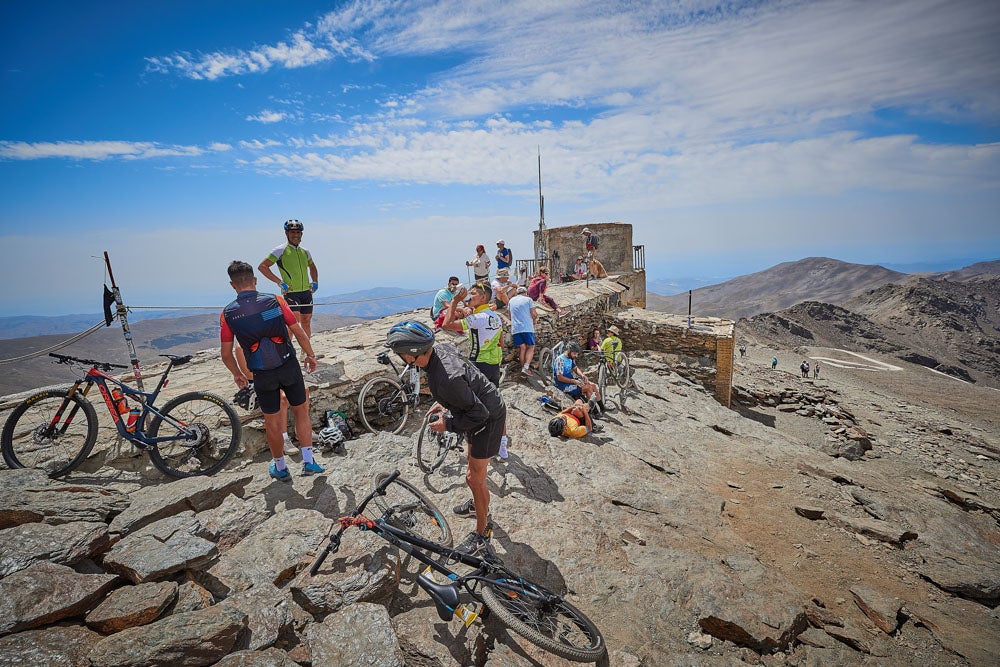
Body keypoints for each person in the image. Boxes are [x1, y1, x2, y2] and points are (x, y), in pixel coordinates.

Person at [386, 321, 506, 558]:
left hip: (487, 420)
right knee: (474, 472)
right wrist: (445, 402)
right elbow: (467, 377)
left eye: (399, 354)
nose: (399, 357)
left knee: (474, 478)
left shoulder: (446, 379)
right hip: (482, 409)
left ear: (411, 355)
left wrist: (447, 424)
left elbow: (478, 413)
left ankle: (482, 533)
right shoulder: (439, 351)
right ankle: (478, 504)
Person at [220, 260, 322, 480]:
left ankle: (280, 468)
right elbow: (298, 330)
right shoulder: (275, 301)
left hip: (262, 373)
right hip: (288, 365)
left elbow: (226, 353)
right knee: (301, 411)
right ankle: (309, 462)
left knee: (272, 422)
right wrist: (310, 355)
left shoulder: (228, 314)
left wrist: (237, 374)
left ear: (232, 285)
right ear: (254, 281)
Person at [442, 282, 508, 458]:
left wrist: (455, 301)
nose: (470, 297)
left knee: (471, 405)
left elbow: (446, 324)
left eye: (474, 294)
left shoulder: (477, 319)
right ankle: (502, 444)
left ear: (484, 297)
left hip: (477, 365)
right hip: (493, 365)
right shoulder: (495, 317)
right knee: (495, 403)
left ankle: (472, 441)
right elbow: (501, 343)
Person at [233, 346, 299, 456]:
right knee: (281, 398)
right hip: (257, 381)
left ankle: (302, 432)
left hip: (274, 377)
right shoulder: (241, 347)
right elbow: (248, 373)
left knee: (303, 390)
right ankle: (284, 439)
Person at [259, 220, 319, 338]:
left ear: (301, 234)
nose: (295, 235)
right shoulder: (280, 250)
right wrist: (280, 282)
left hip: (306, 292)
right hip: (291, 292)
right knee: (293, 323)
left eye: (298, 232)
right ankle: (288, 352)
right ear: (286, 233)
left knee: (306, 321)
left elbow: (312, 267)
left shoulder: (305, 252)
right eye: (292, 232)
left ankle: (306, 353)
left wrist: (315, 281)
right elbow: (262, 267)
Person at [553, 342, 602, 409]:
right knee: (588, 388)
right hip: (563, 386)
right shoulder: (560, 360)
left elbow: (575, 369)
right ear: (569, 351)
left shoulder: (570, 358)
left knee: (593, 385)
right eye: (574, 354)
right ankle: (593, 411)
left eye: (577, 354)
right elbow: (560, 378)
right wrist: (573, 381)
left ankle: (601, 408)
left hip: (571, 382)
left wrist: (582, 375)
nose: (576, 356)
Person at [508, 286, 538, 376]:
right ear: (525, 293)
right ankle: (525, 368)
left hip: (516, 328)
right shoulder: (528, 300)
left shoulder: (511, 301)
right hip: (527, 327)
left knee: (522, 348)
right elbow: (534, 314)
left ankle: (523, 368)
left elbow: (509, 316)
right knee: (531, 347)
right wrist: (535, 319)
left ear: (517, 293)